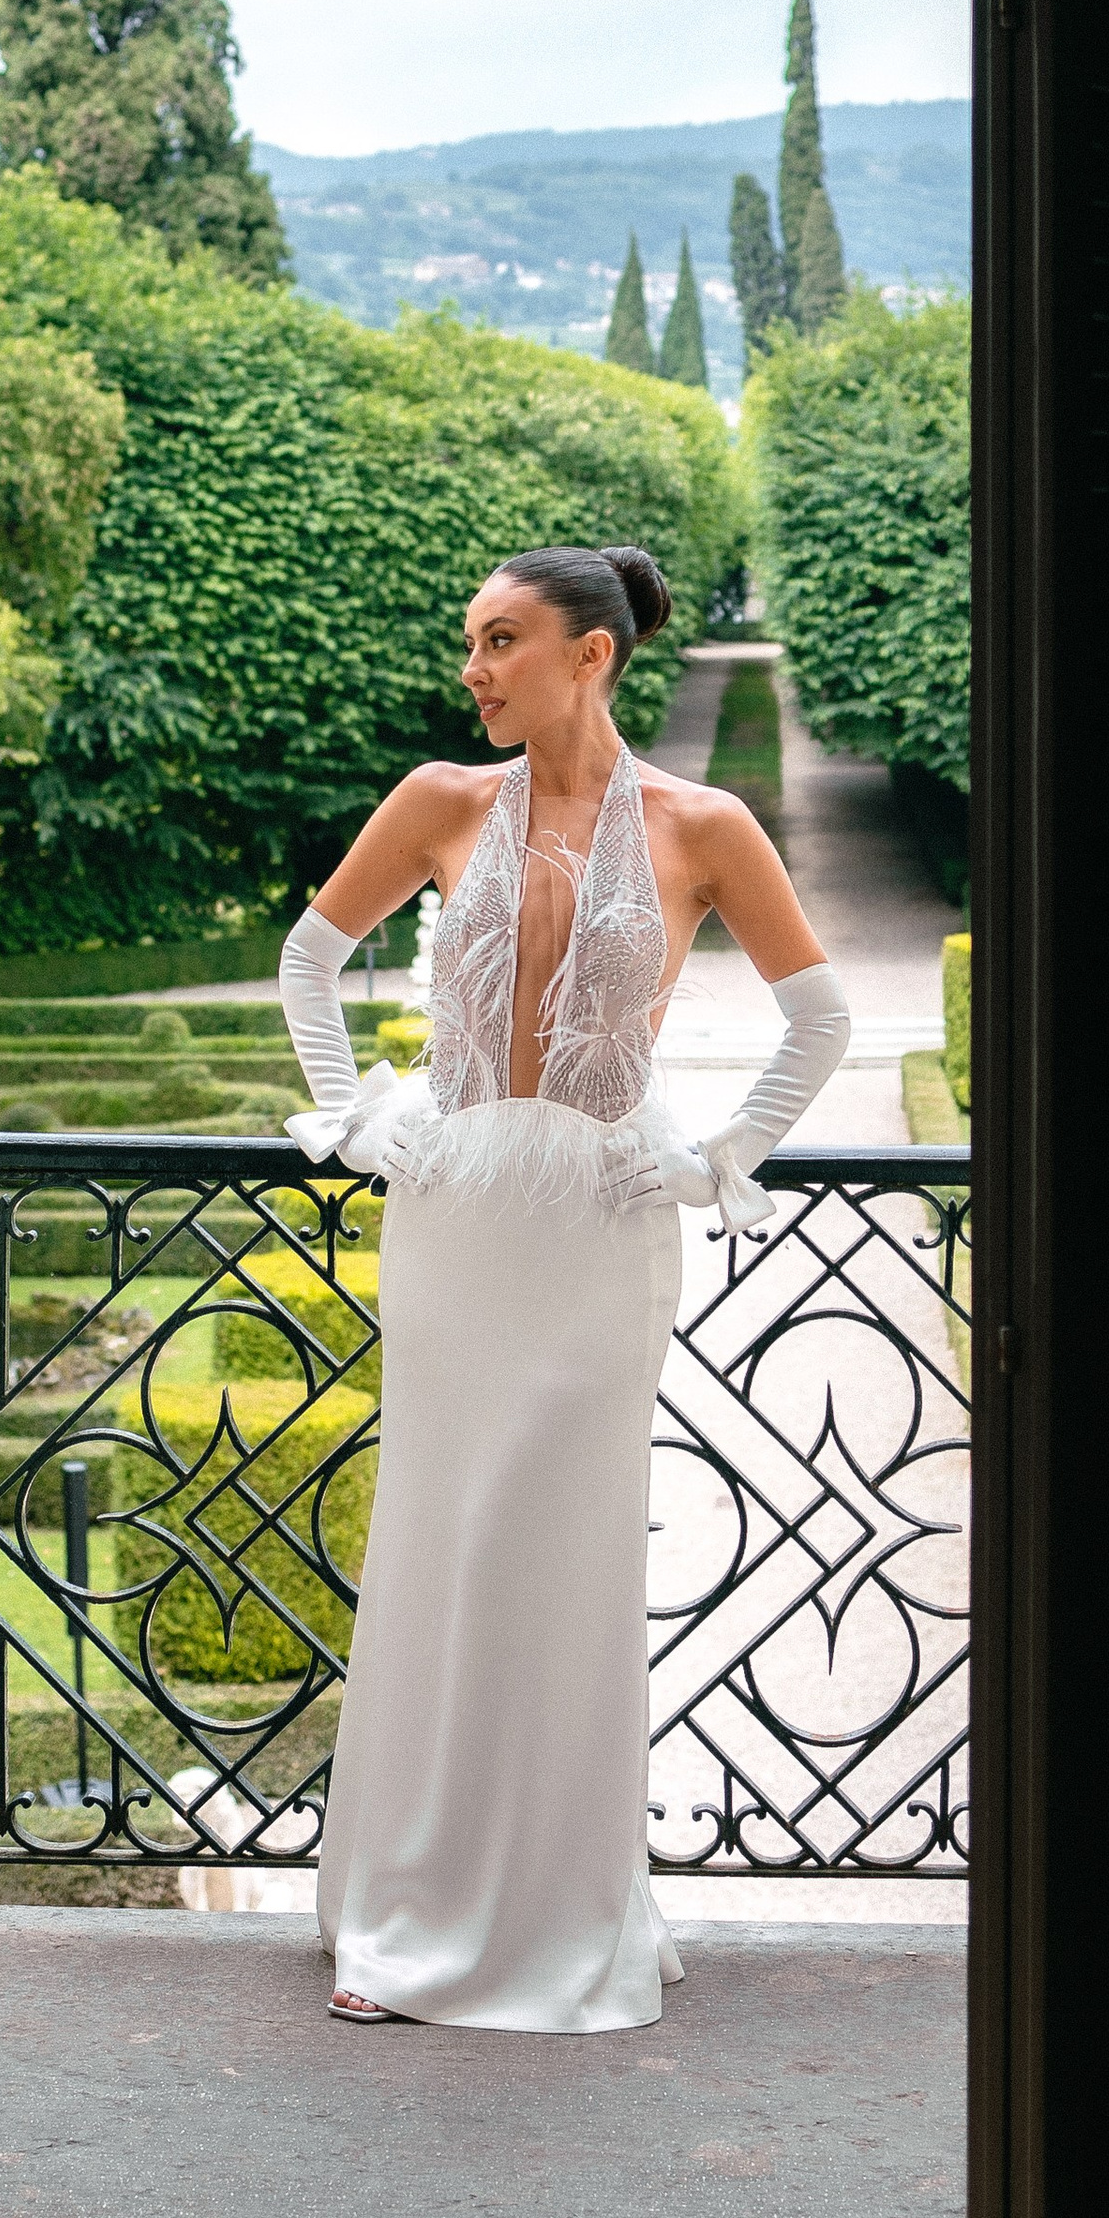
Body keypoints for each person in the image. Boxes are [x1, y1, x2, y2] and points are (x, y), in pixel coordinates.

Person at [275, 541, 851, 2034]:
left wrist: (718, 1161)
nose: (472, 668)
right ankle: (402, 1907)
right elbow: (310, 960)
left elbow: (820, 1020)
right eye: (472, 641)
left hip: (600, 1230)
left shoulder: (705, 827)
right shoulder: (438, 801)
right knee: (439, 1544)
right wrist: (355, 1119)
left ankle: (558, 1913)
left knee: (567, 1561)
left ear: (591, 654)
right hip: (456, 1222)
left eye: (501, 641)